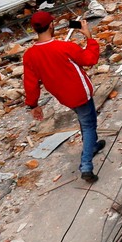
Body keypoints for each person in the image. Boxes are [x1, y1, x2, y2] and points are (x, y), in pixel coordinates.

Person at [23, 11, 104, 183]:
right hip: (80, 93)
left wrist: (33, 105)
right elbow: (90, 59)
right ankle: (86, 165)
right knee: (89, 124)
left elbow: (30, 83)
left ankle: (93, 145)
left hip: (63, 96)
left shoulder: (29, 55)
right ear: (51, 25)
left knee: (85, 120)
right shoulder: (64, 47)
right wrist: (89, 37)